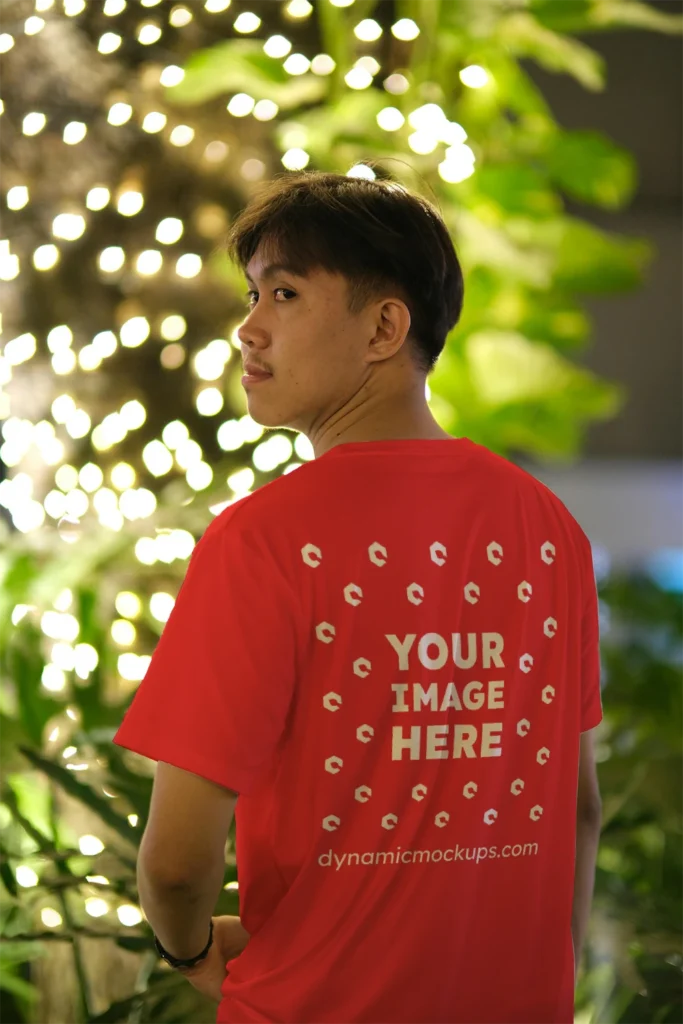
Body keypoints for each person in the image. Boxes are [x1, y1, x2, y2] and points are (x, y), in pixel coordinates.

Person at [113, 170, 603, 1024]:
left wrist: (191, 951)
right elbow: (578, 809)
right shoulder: (548, 528)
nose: (247, 328)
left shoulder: (260, 543)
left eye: (285, 293)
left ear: (384, 325)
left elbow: (179, 862)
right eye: (253, 293)